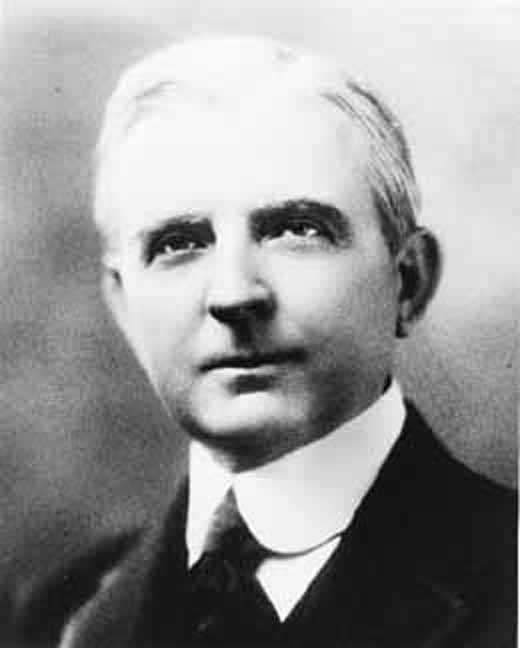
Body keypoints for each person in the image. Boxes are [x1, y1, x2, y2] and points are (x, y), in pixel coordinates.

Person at [11, 34, 516, 647]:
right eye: (178, 243)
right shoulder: (62, 615)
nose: (233, 295)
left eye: (296, 230)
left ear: (408, 281)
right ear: (122, 304)